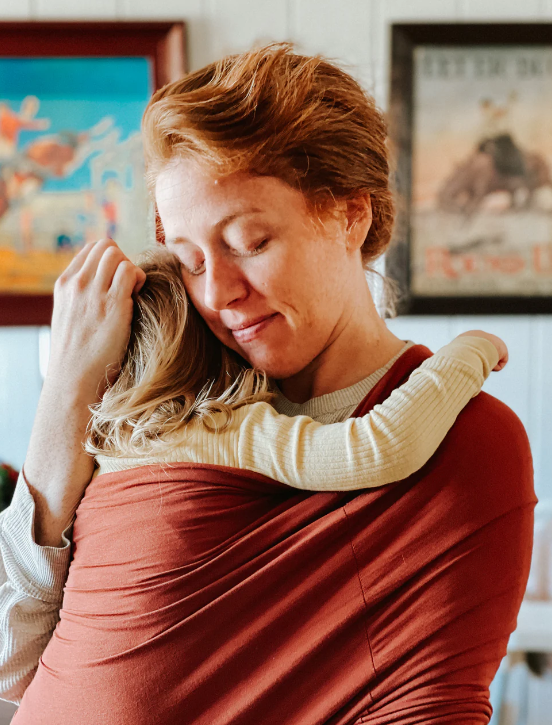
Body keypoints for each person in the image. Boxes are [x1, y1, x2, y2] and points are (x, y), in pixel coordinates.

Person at [0, 43, 535, 724]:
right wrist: (67, 392)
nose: (219, 292)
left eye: (250, 242)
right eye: (190, 260)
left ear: (351, 215)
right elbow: (10, 659)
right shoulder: (169, 406)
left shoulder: (463, 442)